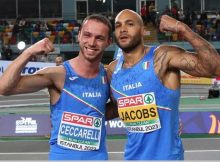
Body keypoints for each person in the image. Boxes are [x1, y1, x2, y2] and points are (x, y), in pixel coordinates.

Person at [106, 9, 220, 160]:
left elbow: (215, 67)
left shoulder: (162, 57)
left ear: (142, 31)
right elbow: (115, 108)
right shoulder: (113, 70)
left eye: (130, 24)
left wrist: (183, 29)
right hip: (132, 157)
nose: (123, 29)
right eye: (118, 25)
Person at [0, 14, 112, 160]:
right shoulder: (58, 74)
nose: (91, 42)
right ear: (78, 36)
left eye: (99, 38)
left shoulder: (109, 76)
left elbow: (114, 108)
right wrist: (28, 52)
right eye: (87, 35)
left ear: (108, 42)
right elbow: (4, 88)